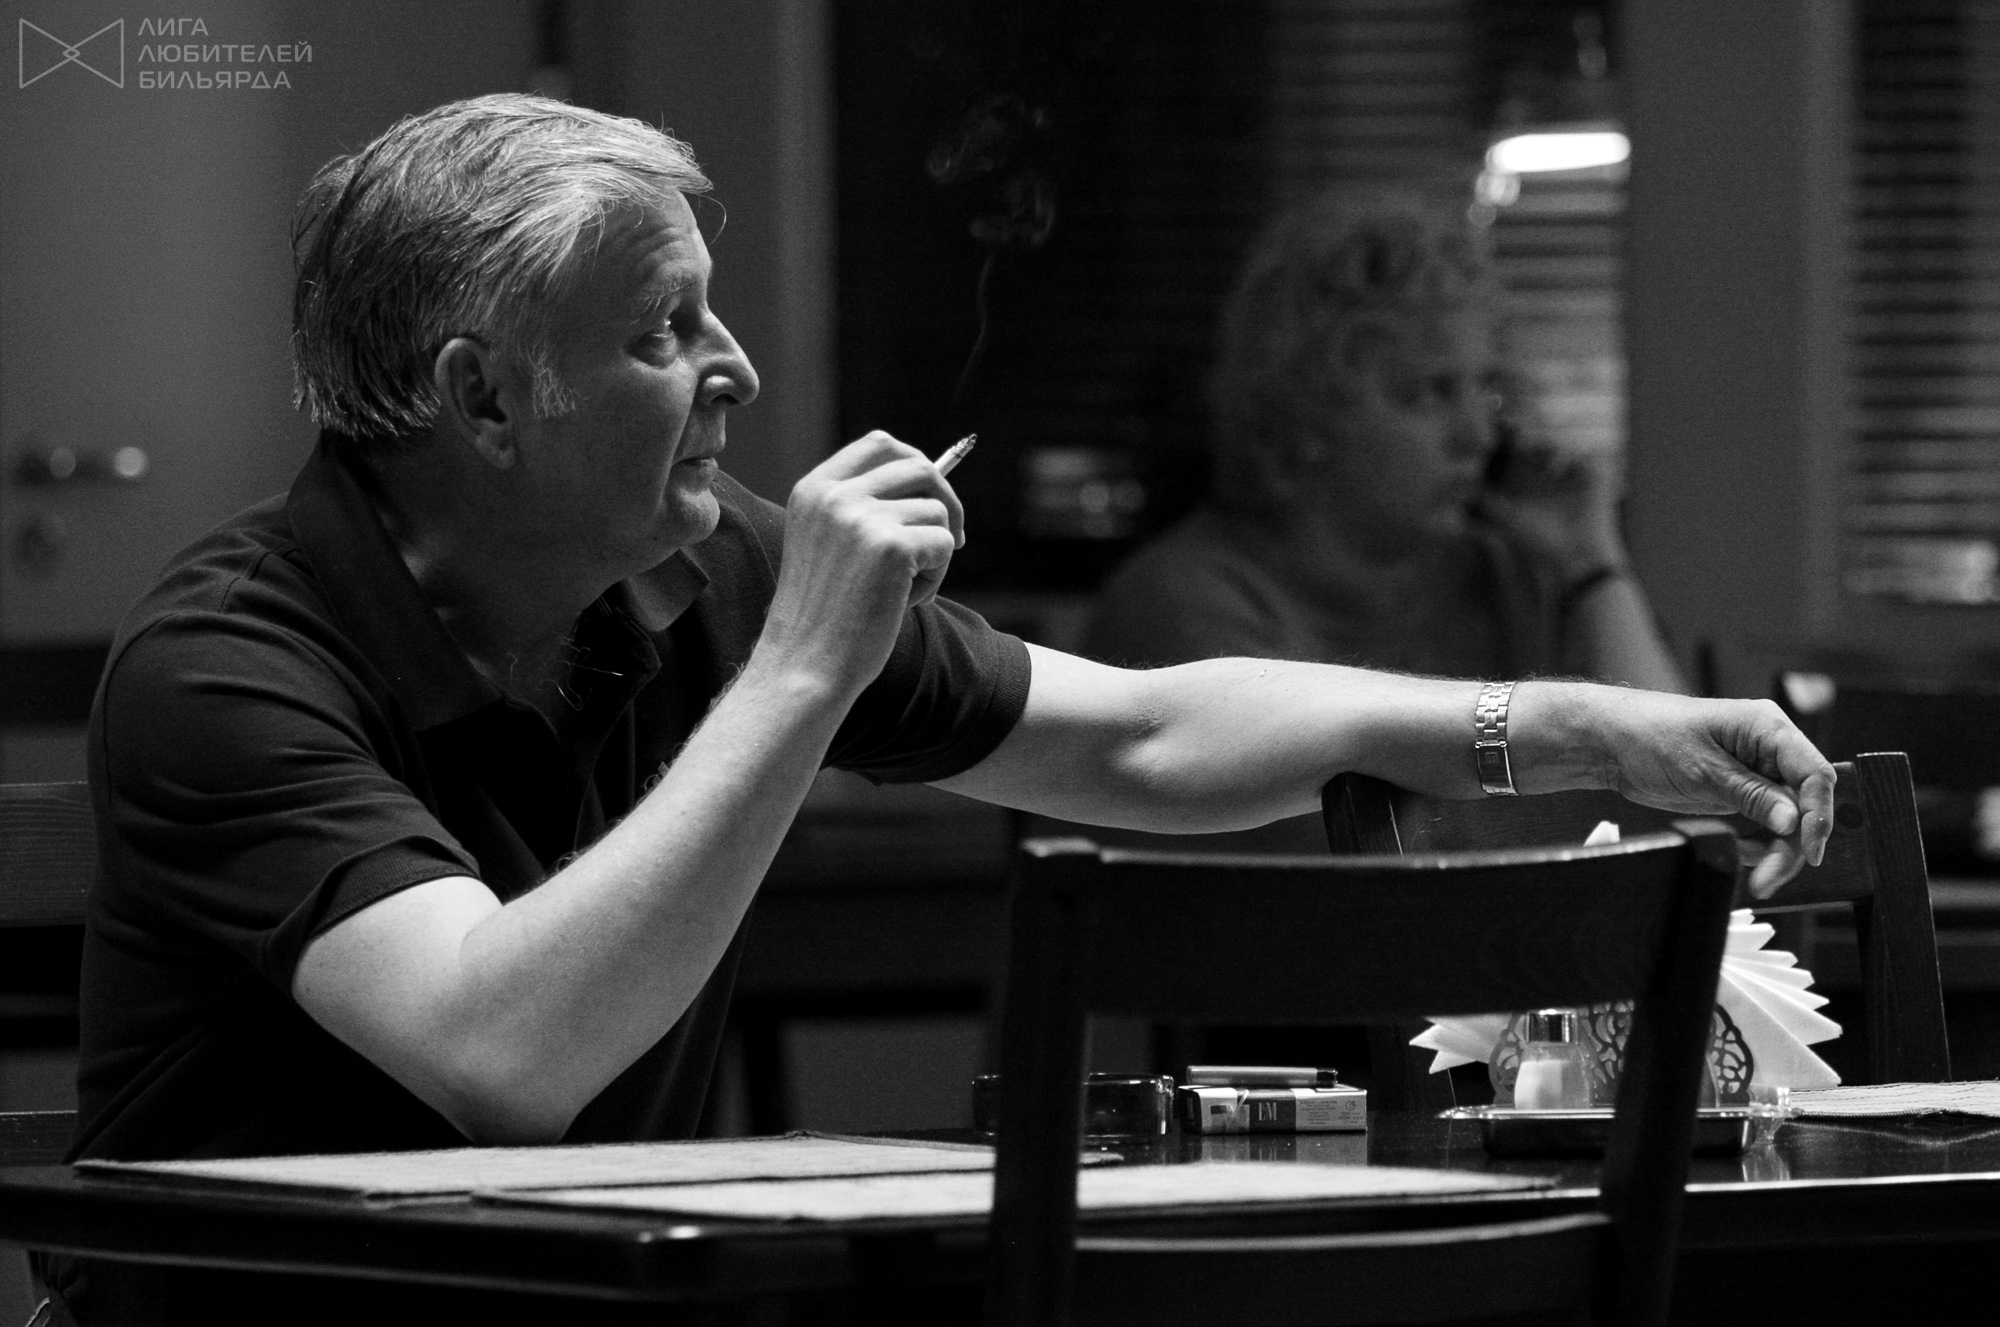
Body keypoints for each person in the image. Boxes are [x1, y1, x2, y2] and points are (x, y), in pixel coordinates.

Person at [73, 97, 1829, 1179]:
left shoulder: (703, 570)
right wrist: (803, 666)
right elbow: (502, 1057)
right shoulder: (228, 664)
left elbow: (1143, 734)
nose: (738, 369)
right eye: (664, 329)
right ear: (482, 400)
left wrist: (1585, 725)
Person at [1084, 188, 1683, 695]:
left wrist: (1592, 567)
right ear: (1309, 411)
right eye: (1430, 392)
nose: (1477, 436)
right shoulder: (1190, 608)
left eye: (1487, 390)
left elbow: (1678, 775)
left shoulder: (1512, 581)